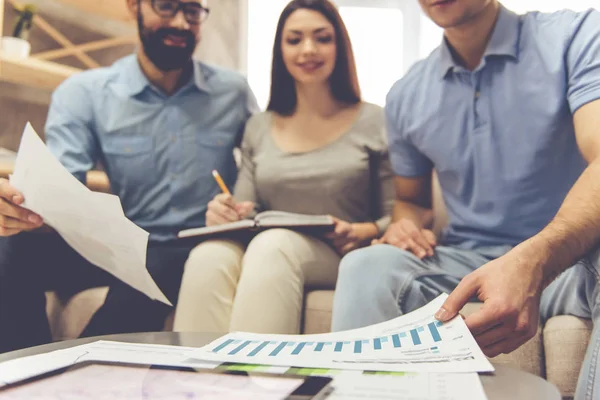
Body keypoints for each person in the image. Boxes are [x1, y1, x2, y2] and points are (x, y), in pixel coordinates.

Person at [330, 0, 600, 397]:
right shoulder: (406, 93)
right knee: (366, 265)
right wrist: (405, 225)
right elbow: (412, 200)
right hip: (466, 263)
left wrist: (534, 259)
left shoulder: (575, 36)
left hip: (569, 260)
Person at [0, 0, 257, 354]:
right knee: (9, 247)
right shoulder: (85, 93)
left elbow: (264, 167)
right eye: (166, 7)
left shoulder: (234, 92)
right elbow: (60, 181)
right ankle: (22, 369)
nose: (181, 22)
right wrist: (17, 203)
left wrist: (244, 207)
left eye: (194, 11)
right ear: (133, 6)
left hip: (190, 246)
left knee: (160, 265)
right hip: (117, 246)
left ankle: (80, 376)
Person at [173, 0, 394, 335]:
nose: (308, 49)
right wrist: (227, 212)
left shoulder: (375, 120)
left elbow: (401, 215)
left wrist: (363, 231)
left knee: (274, 245)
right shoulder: (259, 126)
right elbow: (248, 210)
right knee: (209, 254)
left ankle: (265, 384)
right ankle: (196, 383)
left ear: (341, 46)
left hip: (339, 253)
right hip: (269, 243)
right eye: (294, 40)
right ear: (280, 50)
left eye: (322, 38)